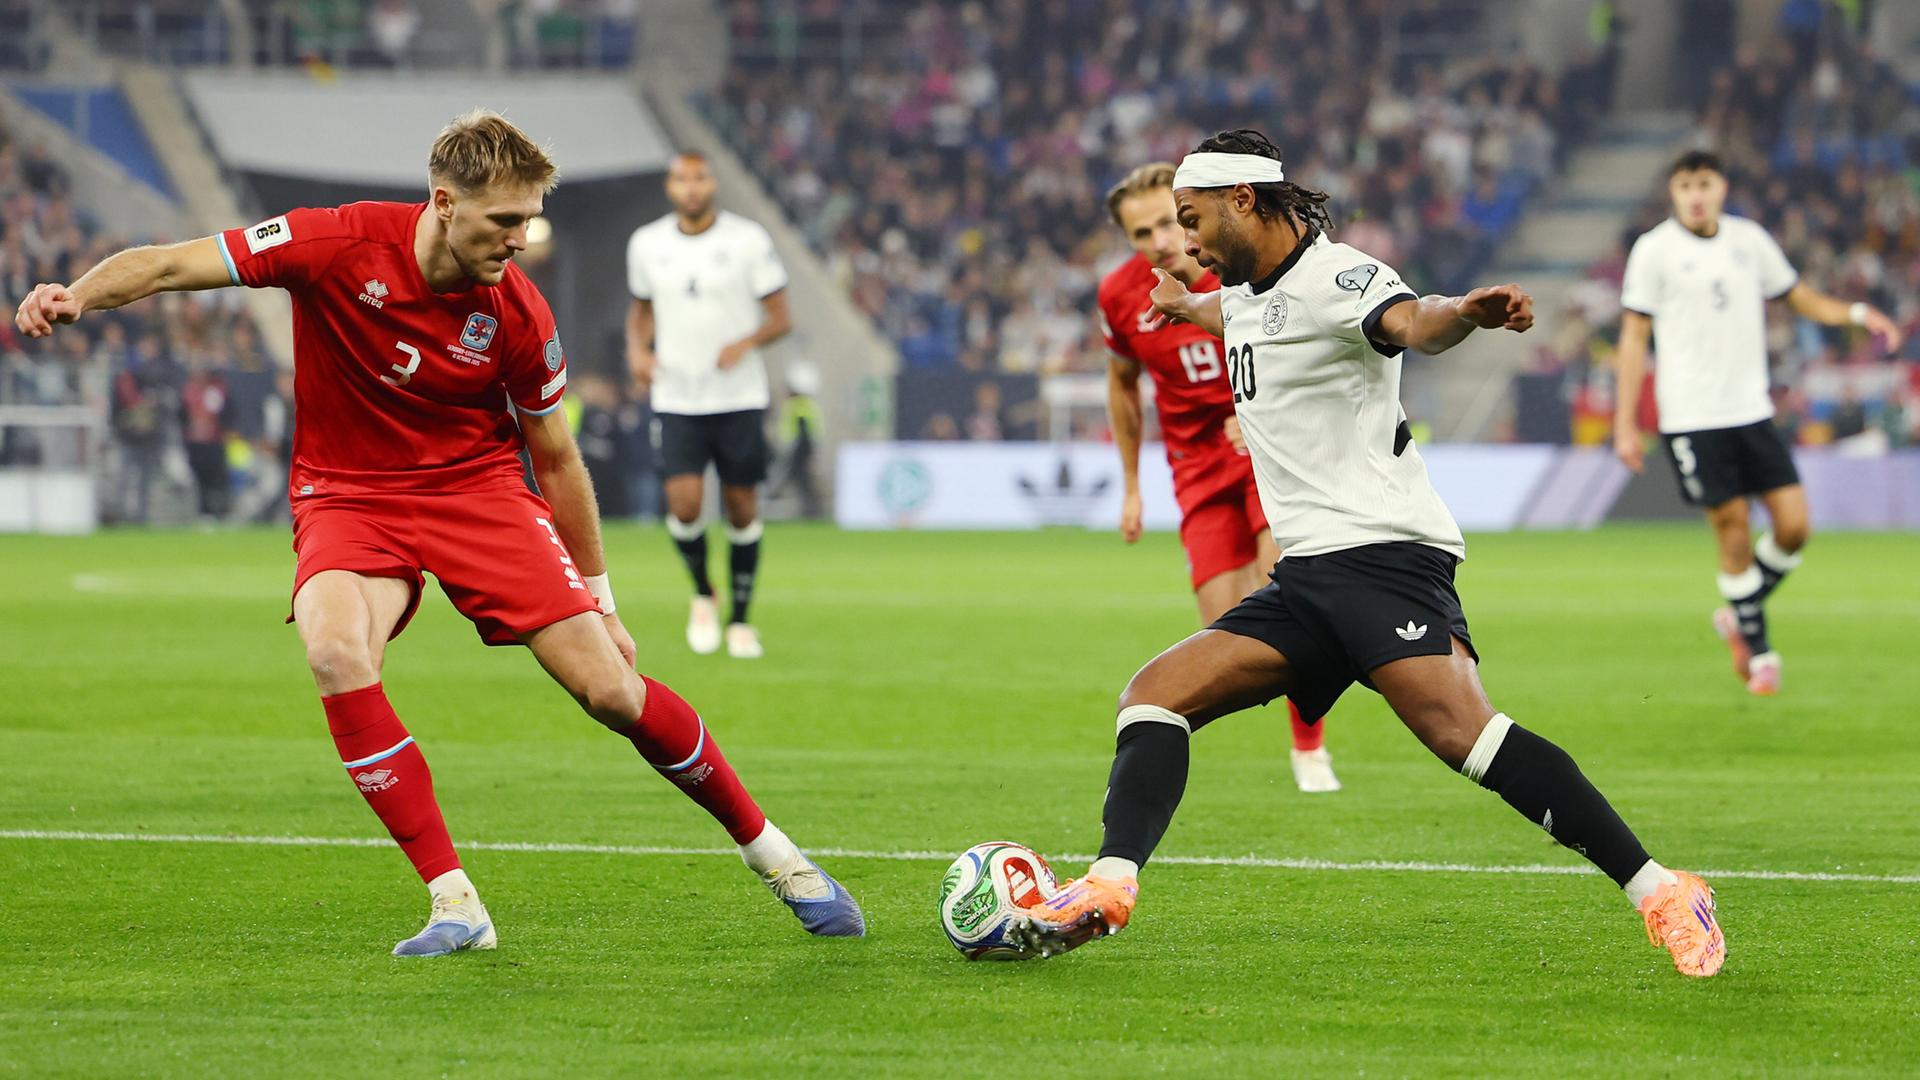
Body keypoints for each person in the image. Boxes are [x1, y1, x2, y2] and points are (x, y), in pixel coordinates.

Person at [13, 109, 863, 956]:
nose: (522, 239)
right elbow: (167, 264)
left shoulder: (520, 315)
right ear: (445, 202)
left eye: (529, 220)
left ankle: (780, 859)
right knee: (336, 651)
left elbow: (557, 461)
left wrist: (602, 600)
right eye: (504, 221)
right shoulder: (333, 243)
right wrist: (76, 294)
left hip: (479, 494)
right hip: (348, 496)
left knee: (613, 693)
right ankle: (455, 903)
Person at [1019, 129, 1725, 978]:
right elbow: (1233, 315)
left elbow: (1410, 321)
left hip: (1383, 556)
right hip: (1308, 575)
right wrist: (1182, 306)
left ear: (1244, 200)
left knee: (1469, 736)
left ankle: (1664, 889)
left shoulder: (1340, 276)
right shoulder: (1239, 293)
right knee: (1153, 698)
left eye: (1193, 218)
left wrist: (1463, 314)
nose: (1188, 241)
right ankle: (1108, 885)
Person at [1612, 149, 1902, 695]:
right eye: (1684, 185)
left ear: (1721, 187)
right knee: (1734, 530)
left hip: (1751, 411)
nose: (1695, 194)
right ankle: (1761, 652)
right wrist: (1625, 423)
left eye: (1704, 183)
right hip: (1692, 417)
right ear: (1673, 193)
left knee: (1794, 528)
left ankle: (1738, 612)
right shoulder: (1654, 251)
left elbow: (1799, 298)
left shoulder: (1749, 241)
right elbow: (1633, 337)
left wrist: (1858, 314)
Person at [1099, 161, 1338, 794]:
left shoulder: (1242, 264)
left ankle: (1309, 747)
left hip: (1267, 449)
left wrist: (1255, 412)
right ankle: (1317, 680)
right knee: (1228, 626)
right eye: (1140, 234)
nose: (1158, 241)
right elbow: (1123, 387)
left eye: (1166, 223)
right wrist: (1131, 486)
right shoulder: (1119, 297)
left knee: (1281, 585)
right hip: (1195, 464)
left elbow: (1306, 345)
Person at [625, 153, 791, 660]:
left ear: (713, 183)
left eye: (699, 178)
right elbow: (641, 312)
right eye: (682, 179)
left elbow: (781, 317)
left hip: (738, 397)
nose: (691, 187)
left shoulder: (747, 240)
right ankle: (703, 592)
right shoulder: (647, 244)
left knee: (742, 509)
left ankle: (741, 622)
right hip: (678, 396)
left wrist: (745, 343)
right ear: (670, 186)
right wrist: (637, 352)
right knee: (685, 505)